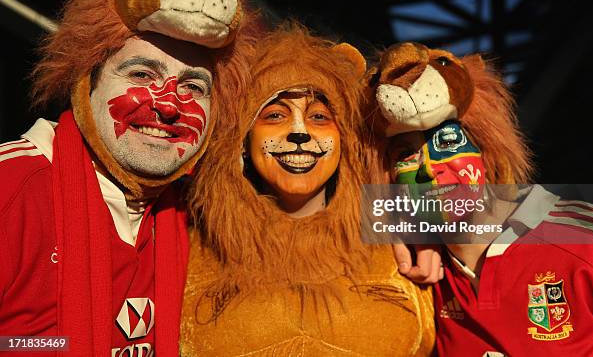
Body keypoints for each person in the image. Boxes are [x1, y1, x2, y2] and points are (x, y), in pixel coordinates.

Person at [0, 0, 257, 357]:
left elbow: (326, 195)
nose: (169, 104)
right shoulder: (11, 188)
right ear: (87, 83)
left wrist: (395, 228)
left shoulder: (206, 209)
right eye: (141, 74)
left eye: (193, 87)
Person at [180, 24, 435, 356]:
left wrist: (442, 230)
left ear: (344, 139)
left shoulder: (397, 232)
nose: (299, 131)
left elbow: (518, 222)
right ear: (242, 141)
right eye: (274, 115)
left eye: (318, 117)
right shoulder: (185, 237)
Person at [369, 42, 593, 356]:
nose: (428, 170)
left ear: (485, 150)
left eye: (448, 141)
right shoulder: (413, 268)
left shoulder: (585, 239)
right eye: (405, 154)